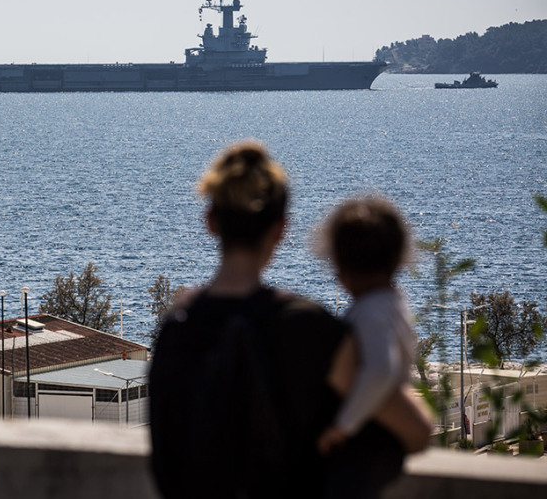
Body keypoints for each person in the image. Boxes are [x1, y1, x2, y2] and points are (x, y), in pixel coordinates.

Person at [148, 140, 431, 498]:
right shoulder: (311, 328)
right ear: (281, 229)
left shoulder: (176, 327)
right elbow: (416, 431)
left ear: (210, 222)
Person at [315, 195, 418, 456]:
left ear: (340, 265)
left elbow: (380, 370)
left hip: (370, 442)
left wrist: (341, 427)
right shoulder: (394, 305)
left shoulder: (370, 312)